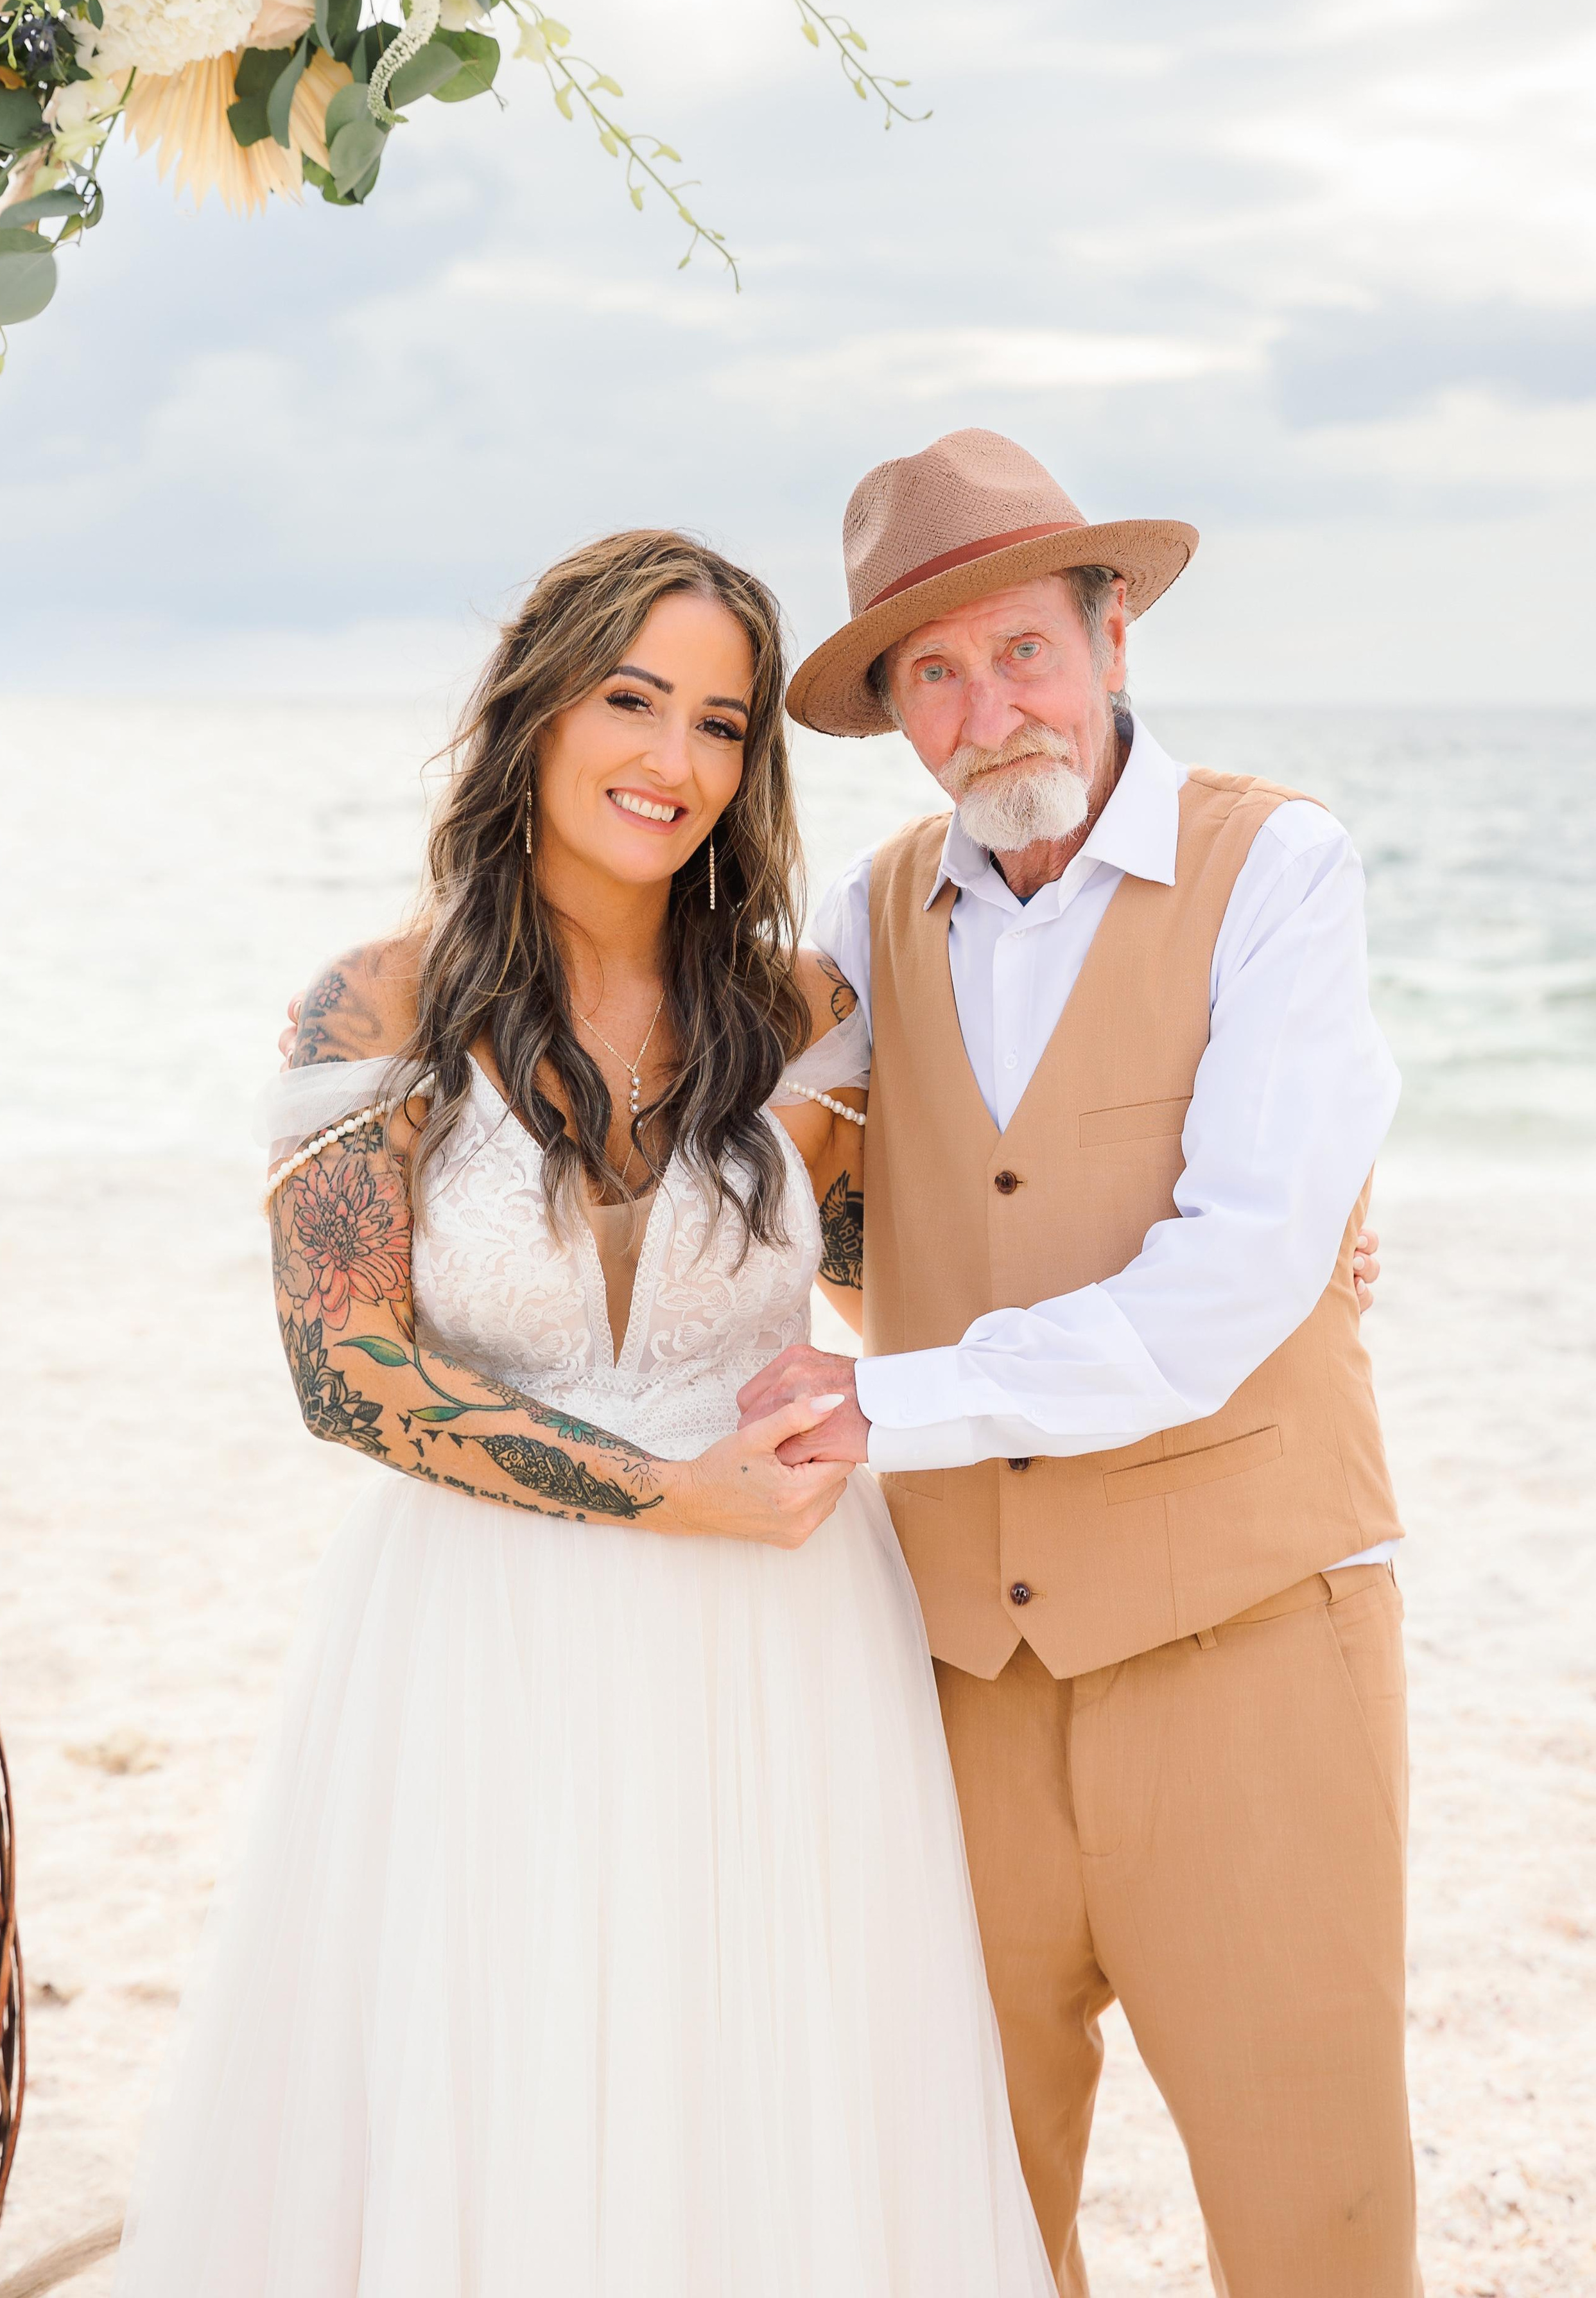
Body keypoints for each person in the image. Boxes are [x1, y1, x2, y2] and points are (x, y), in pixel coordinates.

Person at [113, 530, 1056, 2298]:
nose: (672, 760)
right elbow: (344, 1371)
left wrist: (1282, 1236)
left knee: (763, 2076)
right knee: (494, 2059)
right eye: (632, 700)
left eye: (720, 723)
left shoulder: (799, 1015)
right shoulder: (376, 1007)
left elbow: (928, 1277)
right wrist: (675, 1495)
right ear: (538, 712)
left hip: (781, 1647)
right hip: (479, 1639)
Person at [740, 428, 1418, 2298]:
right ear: (892, 714)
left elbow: (1238, 1274)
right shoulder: (871, 914)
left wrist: (884, 1397)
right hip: (961, 1671)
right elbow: (725, 1142)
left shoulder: (1278, 867)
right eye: (932, 676)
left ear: (1115, 639)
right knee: (965, 2215)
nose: (989, 714)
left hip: (1249, 1643)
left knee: (1313, 2207)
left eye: (1024, 649)